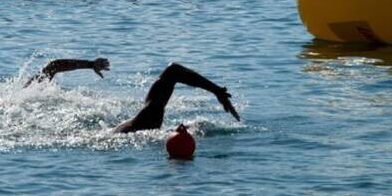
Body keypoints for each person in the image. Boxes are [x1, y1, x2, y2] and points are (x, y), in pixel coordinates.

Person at [25, 58, 240, 133]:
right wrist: (217, 91)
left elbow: (52, 67)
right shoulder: (147, 120)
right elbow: (173, 70)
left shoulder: (20, 95)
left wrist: (90, 64)